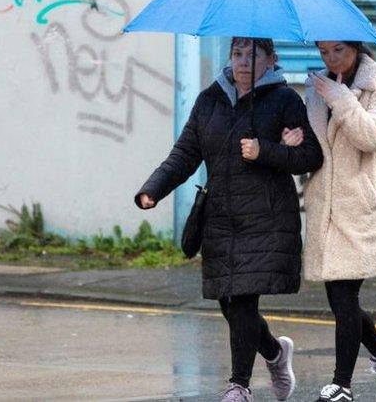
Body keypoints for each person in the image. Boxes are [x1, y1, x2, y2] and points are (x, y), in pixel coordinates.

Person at [135, 37, 323, 402]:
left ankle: (239, 386)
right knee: (228, 301)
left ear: (271, 60)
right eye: (237, 54)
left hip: (266, 218)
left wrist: (266, 150)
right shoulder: (210, 100)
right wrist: (153, 189)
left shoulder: (285, 101)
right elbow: (185, 153)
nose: (243, 63)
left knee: (242, 302)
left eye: (252, 55)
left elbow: (310, 157)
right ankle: (273, 352)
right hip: (221, 217)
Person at [302, 41, 376, 401]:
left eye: (339, 51)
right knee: (339, 298)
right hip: (326, 207)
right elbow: (314, 150)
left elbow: (373, 135)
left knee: (344, 295)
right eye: (324, 52)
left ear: (357, 48)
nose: (331, 59)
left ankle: (341, 385)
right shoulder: (316, 89)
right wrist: (293, 138)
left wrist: (341, 98)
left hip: (361, 206)